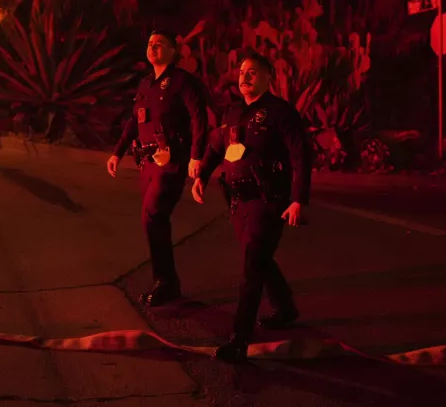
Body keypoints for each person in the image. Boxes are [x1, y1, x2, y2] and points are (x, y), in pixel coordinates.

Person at [191, 52, 310, 364]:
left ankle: (239, 339)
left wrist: (298, 199)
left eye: (253, 72)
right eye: (242, 72)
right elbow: (217, 145)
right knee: (258, 258)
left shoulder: (281, 112)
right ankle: (285, 308)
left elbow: (300, 156)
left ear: (269, 77)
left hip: (268, 200)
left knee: (251, 266)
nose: (244, 77)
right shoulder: (233, 112)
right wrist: (202, 175)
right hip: (237, 200)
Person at [108, 30, 208, 306]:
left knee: (152, 216)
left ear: (174, 51)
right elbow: (134, 120)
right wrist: (117, 152)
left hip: (171, 161)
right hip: (147, 164)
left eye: (160, 44)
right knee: (154, 220)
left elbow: (199, 118)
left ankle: (165, 281)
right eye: (150, 44)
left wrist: (195, 156)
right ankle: (166, 281)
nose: (153, 48)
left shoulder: (182, 82)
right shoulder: (145, 84)